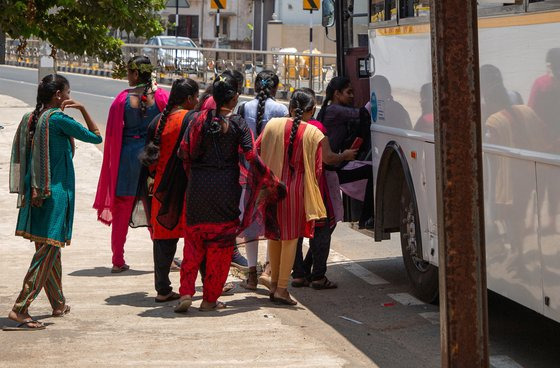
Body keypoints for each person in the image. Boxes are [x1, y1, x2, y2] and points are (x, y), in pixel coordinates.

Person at [173, 73, 284, 312]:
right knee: (220, 248)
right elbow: (251, 157)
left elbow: (183, 152)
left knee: (193, 244)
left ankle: (185, 293)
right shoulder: (237, 125)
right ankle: (209, 299)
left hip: (198, 189)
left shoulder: (197, 120)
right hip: (225, 189)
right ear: (233, 98)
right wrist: (271, 180)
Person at [6, 74, 102, 330]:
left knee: (49, 250)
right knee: (47, 251)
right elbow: (95, 137)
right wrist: (82, 108)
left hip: (35, 192)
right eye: (68, 92)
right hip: (55, 193)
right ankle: (21, 308)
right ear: (59, 94)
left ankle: (58, 303)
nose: (70, 97)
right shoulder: (58, 119)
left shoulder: (31, 118)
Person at [93, 56, 169, 273]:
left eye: (128, 72)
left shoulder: (122, 100)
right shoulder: (161, 97)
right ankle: (163, 258)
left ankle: (118, 260)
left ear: (136, 74)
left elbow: (114, 133)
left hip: (127, 159)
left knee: (122, 208)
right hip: (153, 157)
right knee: (154, 206)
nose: (127, 76)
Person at [258, 89, 328, 305]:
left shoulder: (272, 125)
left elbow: (256, 151)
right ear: (312, 110)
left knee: (275, 236)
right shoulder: (314, 134)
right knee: (290, 240)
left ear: (290, 107)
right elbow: (317, 171)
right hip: (295, 192)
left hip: (272, 189)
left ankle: (274, 281)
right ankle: (281, 289)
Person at [137, 78, 199, 303]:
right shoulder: (192, 119)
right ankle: (202, 286)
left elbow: (150, 161)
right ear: (190, 98)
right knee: (196, 239)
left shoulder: (157, 122)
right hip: (188, 189)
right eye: (196, 96)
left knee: (163, 241)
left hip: (161, 190)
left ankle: (163, 289)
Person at [291, 88, 356, 289]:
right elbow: (328, 157)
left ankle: (299, 274)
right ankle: (318, 276)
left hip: (292, 185)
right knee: (322, 230)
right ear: (313, 109)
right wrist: (345, 155)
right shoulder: (316, 127)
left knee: (295, 231)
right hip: (315, 185)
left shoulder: (284, 126)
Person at [238, 70, 289, 290]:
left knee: (250, 223)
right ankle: (269, 270)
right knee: (272, 222)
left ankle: (251, 274)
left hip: (248, 175)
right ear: (275, 88)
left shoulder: (243, 107)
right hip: (272, 174)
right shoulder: (281, 109)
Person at [196, 70, 249, 273]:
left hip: (204, 176)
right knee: (221, 223)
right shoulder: (219, 111)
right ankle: (220, 267)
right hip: (219, 177)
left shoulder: (210, 104)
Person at [317, 76, 374, 229]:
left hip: (332, 168)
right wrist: (376, 96)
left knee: (329, 223)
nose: (352, 96)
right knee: (373, 171)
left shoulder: (329, 110)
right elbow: (363, 113)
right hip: (331, 168)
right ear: (337, 93)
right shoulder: (335, 110)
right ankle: (367, 217)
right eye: (348, 92)